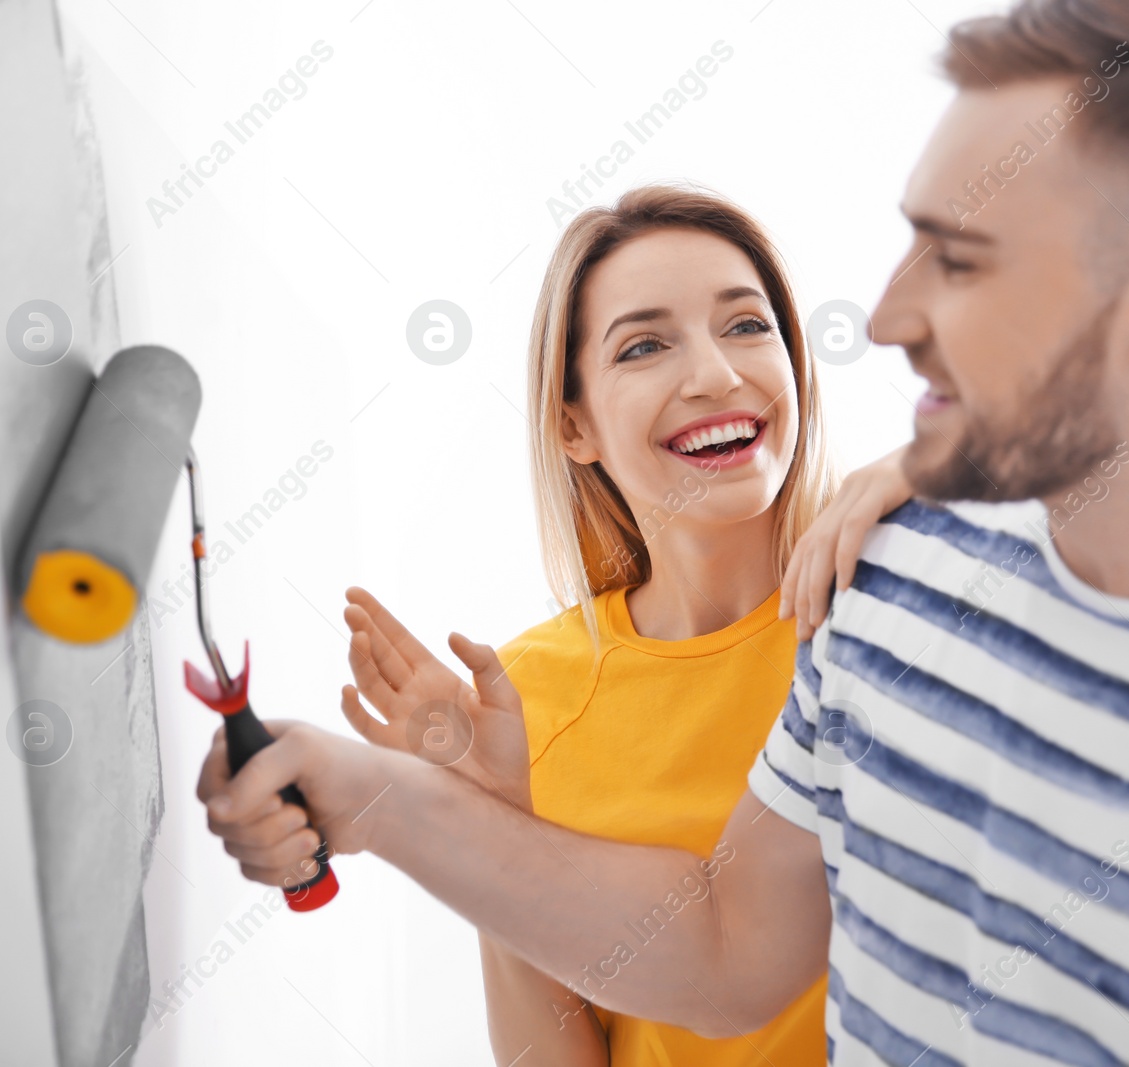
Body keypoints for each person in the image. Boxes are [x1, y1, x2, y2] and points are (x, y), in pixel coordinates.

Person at [198, 0, 1129, 1062]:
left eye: (960, 260)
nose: (883, 317)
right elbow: (731, 947)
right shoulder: (899, 583)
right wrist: (386, 802)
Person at [340, 184, 914, 1065]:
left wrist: (941, 462)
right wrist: (494, 829)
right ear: (574, 425)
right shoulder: (525, 696)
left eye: (747, 326)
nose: (717, 375)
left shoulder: (897, 599)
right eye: (644, 345)